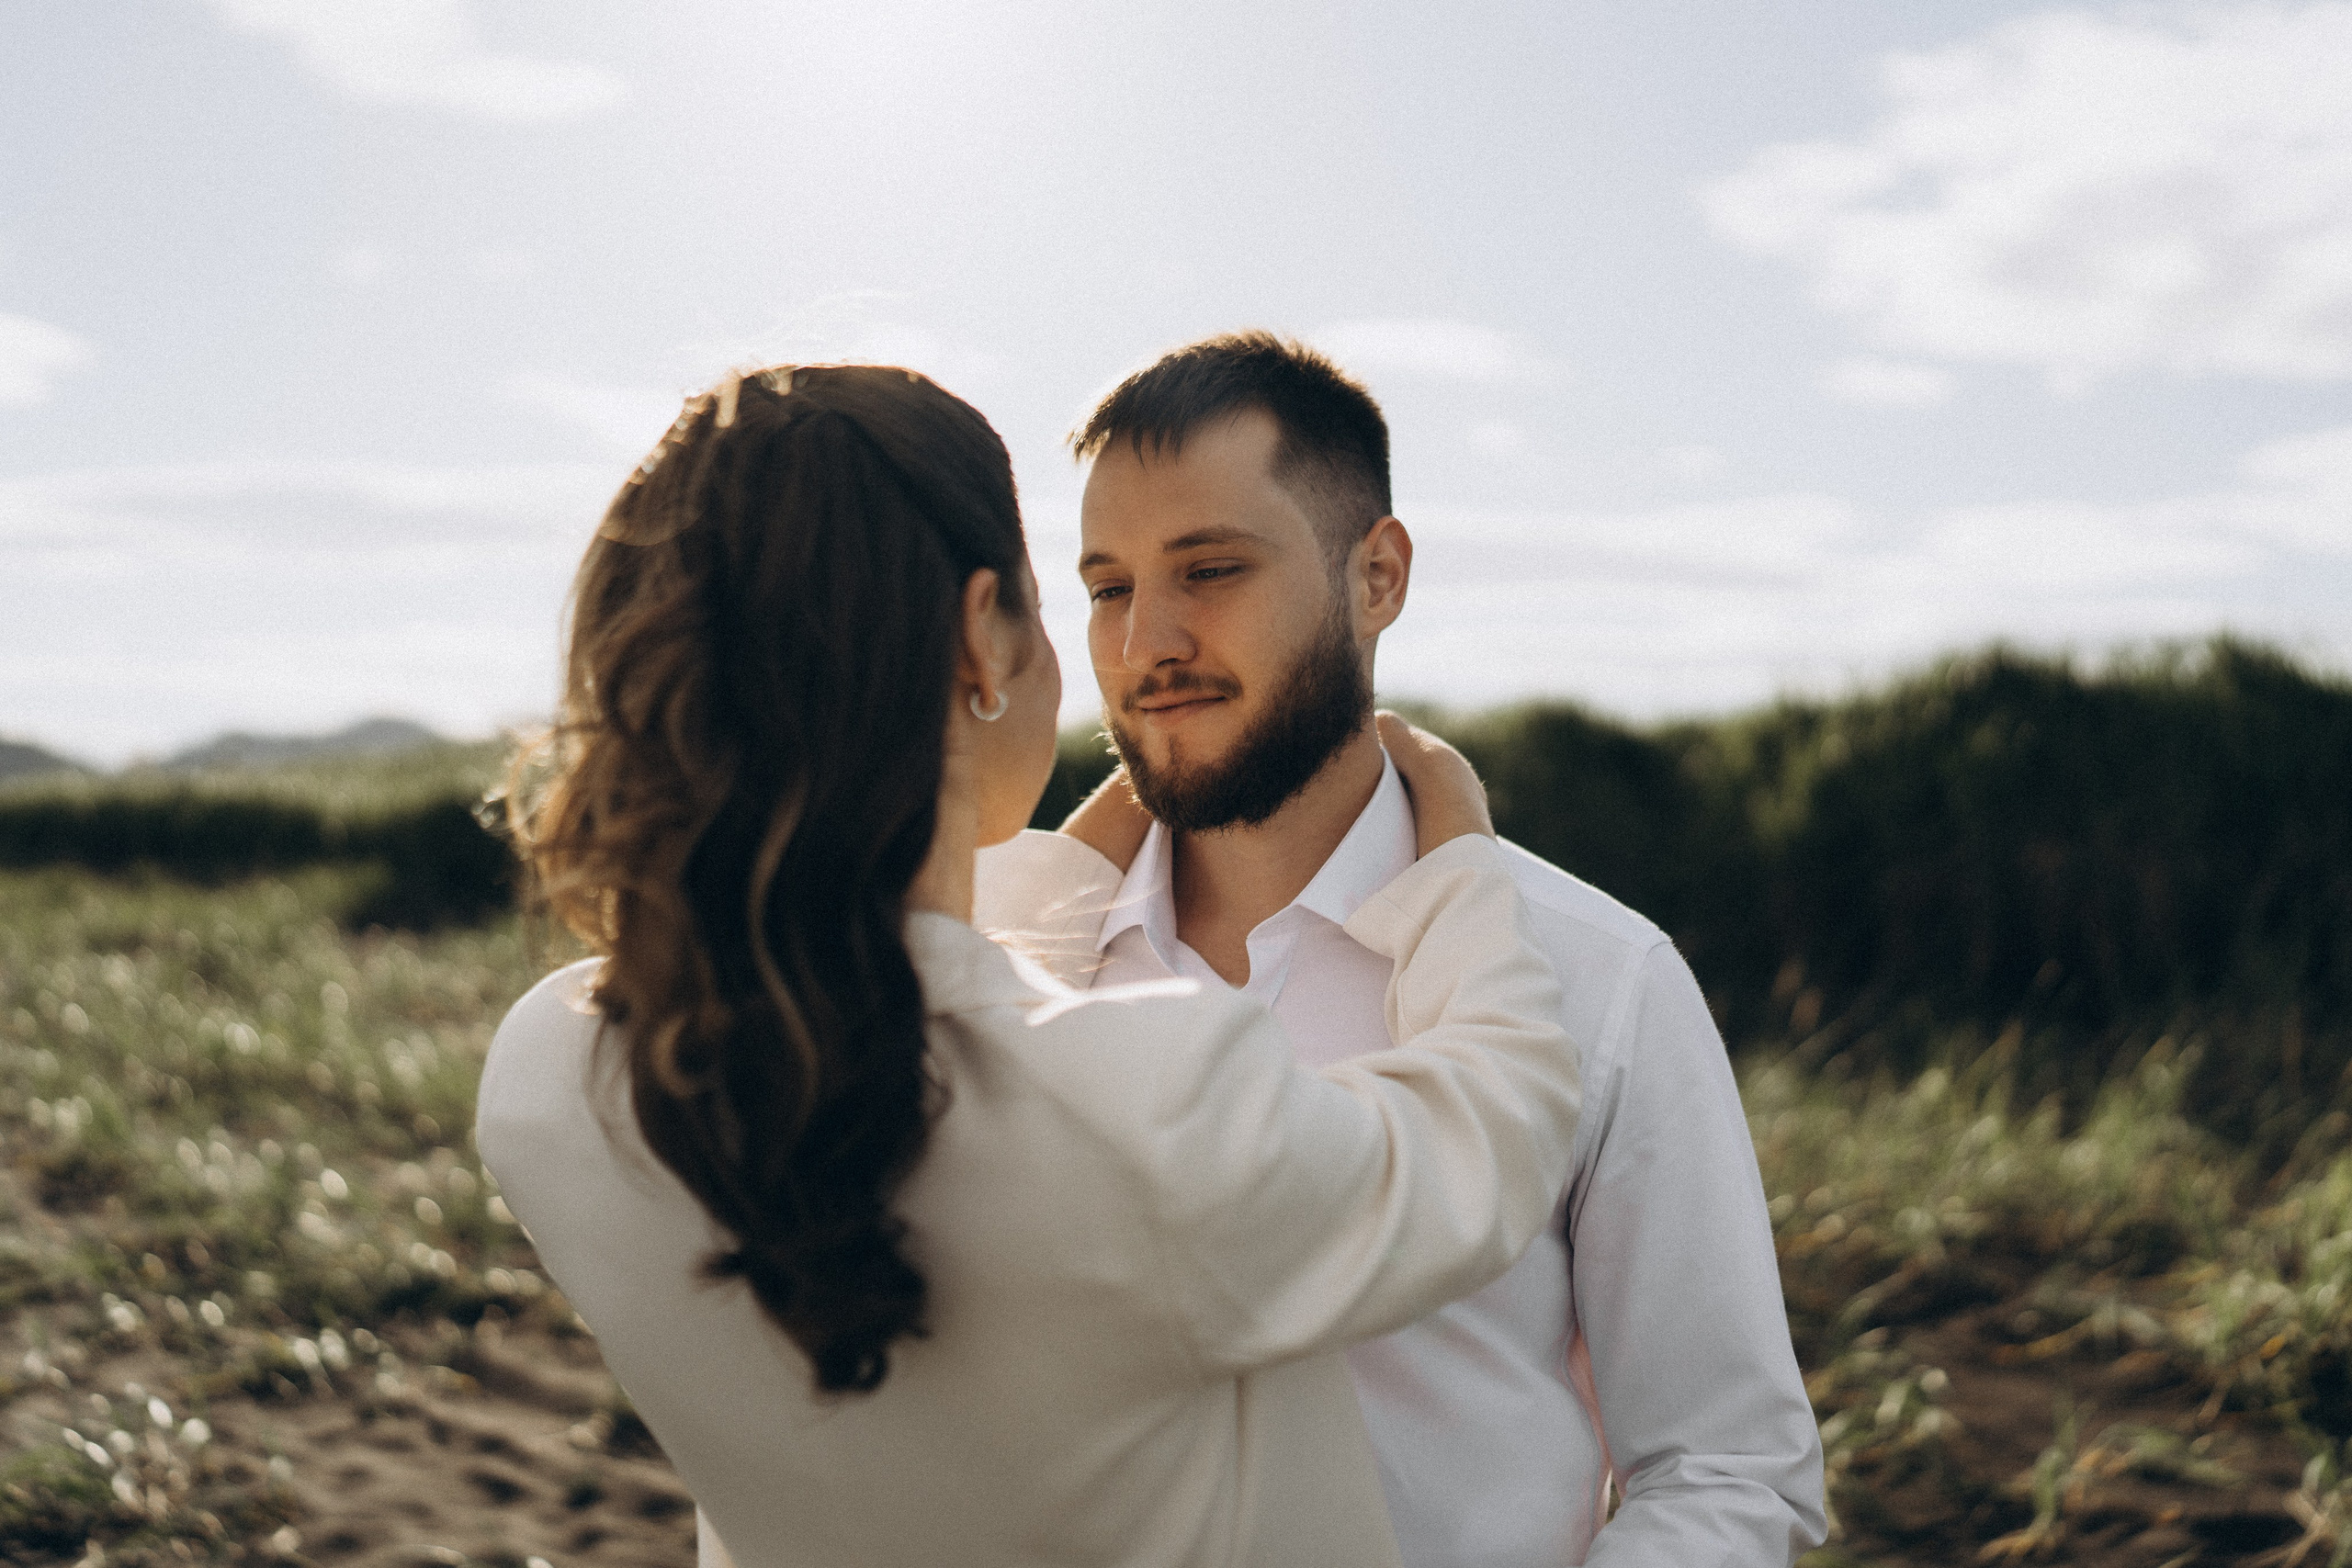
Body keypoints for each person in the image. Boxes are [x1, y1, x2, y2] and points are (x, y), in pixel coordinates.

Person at [473, 363, 1592, 1568]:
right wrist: (1457, 853)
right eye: (1088, 593)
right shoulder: (1148, 1113)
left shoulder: (546, 1080)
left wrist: (1063, 869)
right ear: (979, 635)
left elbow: (919, 993)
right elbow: (1498, 1125)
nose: (1135, 641)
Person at [977, 333, 1827, 1567]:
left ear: (1377, 577)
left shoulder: (1600, 976)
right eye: (1108, 588)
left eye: (1209, 570)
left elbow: (1725, 1464)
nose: (1145, 643)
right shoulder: (1000, 975)